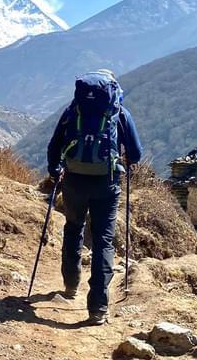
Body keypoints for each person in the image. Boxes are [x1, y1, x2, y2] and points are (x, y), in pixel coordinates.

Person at [46, 70, 143, 325]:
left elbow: (54, 145)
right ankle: (98, 307)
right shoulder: (118, 113)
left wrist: (55, 170)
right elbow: (136, 152)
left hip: (74, 181)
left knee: (73, 227)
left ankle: (70, 284)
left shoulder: (72, 111)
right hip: (106, 183)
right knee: (103, 240)